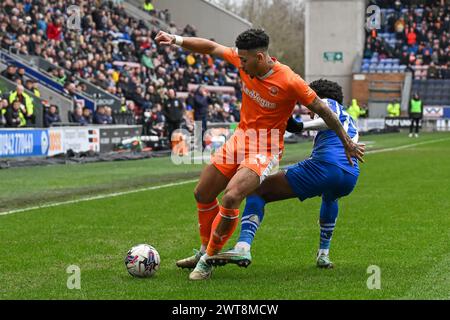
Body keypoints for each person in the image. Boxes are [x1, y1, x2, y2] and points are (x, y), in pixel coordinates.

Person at [156, 29, 365, 281]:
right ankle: (202, 249)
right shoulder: (243, 61)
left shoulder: (289, 80)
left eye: (244, 60)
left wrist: (346, 142)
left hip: (265, 147)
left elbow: (322, 108)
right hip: (240, 139)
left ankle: (208, 259)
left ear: (260, 56)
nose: (240, 64)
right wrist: (176, 40)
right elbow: (211, 47)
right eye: (239, 58)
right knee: (202, 193)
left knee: (233, 196)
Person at [205, 79, 363, 270]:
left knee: (257, 190)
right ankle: (323, 254)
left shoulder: (329, 104)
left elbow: (329, 118)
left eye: (309, 102)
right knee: (330, 198)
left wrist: (300, 127)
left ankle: (242, 246)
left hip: (326, 167)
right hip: (350, 174)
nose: (308, 109)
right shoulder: (350, 118)